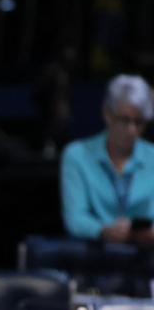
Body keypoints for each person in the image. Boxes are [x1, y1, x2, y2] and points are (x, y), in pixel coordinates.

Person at [59, 74, 154, 244]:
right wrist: (101, 230)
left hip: (146, 257)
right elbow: (75, 218)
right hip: (94, 256)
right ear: (107, 114)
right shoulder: (76, 155)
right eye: (124, 120)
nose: (132, 130)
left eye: (139, 122)